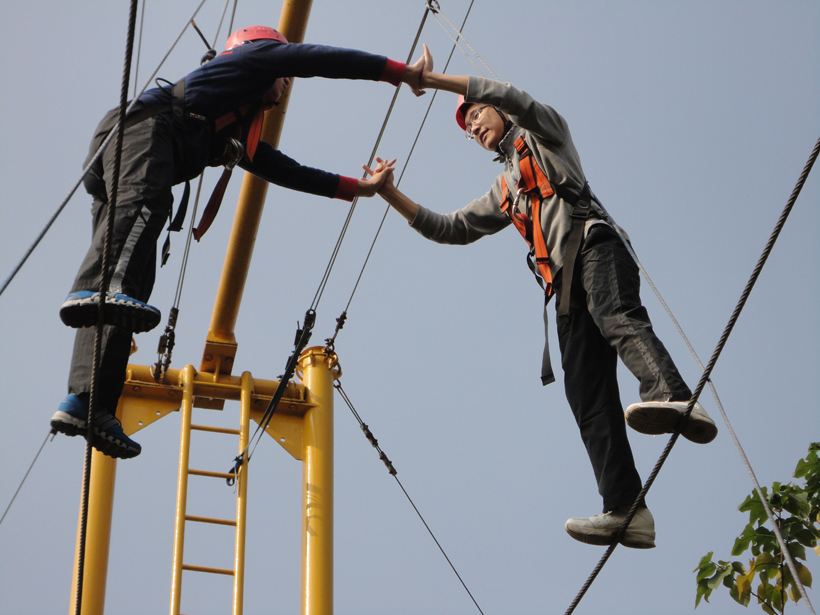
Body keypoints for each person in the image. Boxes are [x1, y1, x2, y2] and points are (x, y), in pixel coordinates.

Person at [366, 46, 717, 548]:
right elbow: (453, 228)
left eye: (476, 114)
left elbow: (513, 96)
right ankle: (627, 510)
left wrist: (436, 80)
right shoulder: (505, 186)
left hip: (594, 246)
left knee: (616, 315)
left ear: (497, 109)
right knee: (585, 394)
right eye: (465, 127)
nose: (472, 127)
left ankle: (672, 395)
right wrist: (389, 193)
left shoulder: (547, 134)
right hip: (563, 291)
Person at [49, 26, 421, 459]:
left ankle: (86, 402)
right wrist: (399, 72)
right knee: (144, 214)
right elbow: (320, 59)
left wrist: (359, 188)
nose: (288, 84)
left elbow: (286, 170)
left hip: (127, 149)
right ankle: (95, 288)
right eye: (286, 74)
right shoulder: (252, 61)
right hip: (139, 133)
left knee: (130, 287)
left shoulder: (232, 120)